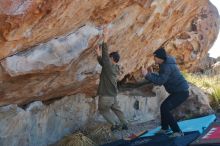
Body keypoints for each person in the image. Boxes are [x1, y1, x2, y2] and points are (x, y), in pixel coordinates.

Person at [142, 47, 189, 137]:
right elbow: (160, 75)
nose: (154, 59)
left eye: (155, 57)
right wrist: (150, 74)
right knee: (164, 107)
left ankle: (177, 132)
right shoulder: (164, 64)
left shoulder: (167, 66)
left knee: (165, 108)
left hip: (181, 92)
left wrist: (147, 75)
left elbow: (160, 81)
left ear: (159, 57)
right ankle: (165, 128)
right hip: (178, 91)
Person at [95, 27, 128, 131]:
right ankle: (125, 124)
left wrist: (105, 38)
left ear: (112, 59)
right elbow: (104, 63)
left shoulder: (109, 66)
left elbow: (105, 58)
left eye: (110, 57)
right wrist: (98, 54)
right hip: (113, 95)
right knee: (117, 109)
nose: (108, 59)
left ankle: (115, 124)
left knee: (103, 110)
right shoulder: (114, 68)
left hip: (105, 96)